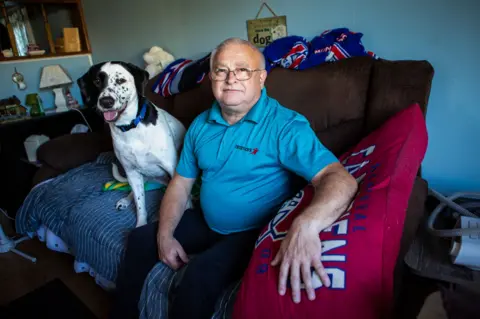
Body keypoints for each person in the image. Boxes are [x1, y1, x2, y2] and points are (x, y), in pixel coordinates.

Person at [110, 37, 358, 319]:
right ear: (212, 77)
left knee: (198, 275)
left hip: (251, 232)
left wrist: (307, 223)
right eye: (221, 70)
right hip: (207, 221)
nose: (230, 79)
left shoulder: (285, 125)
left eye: (242, 70)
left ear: (261, 78)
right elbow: (180, 184)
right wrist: (165, 235)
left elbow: (338, 178)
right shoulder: (200, 125)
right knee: (142, 239)